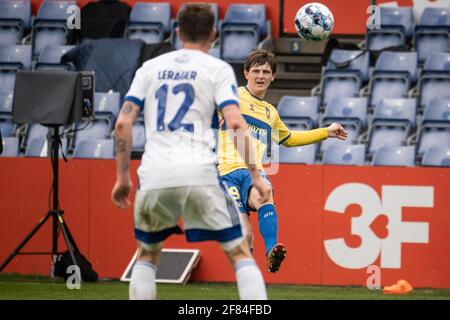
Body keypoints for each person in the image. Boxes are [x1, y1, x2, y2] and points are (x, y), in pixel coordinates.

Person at [111, 4, 270, 300]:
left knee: (146, 255)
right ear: (214, 34)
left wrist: (122, 177)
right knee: (239, 252)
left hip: (155, 174)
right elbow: (235, 123)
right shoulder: (218, 69)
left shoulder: (150, 68)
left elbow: (122, 123)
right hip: (200, 172)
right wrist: (255, 176)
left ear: (176, 32)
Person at [218, 50, 348, 273]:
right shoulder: (233, 96)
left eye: (266, 72)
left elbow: (288, 139)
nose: (260, 76)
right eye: (256, 71)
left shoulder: (271, 113)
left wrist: (326, 132)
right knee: (244, 231)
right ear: (246, 73)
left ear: (273, 77)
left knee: (266, 192)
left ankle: (271, 251)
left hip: (252, 173)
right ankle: (247, 277)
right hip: (225, 171)